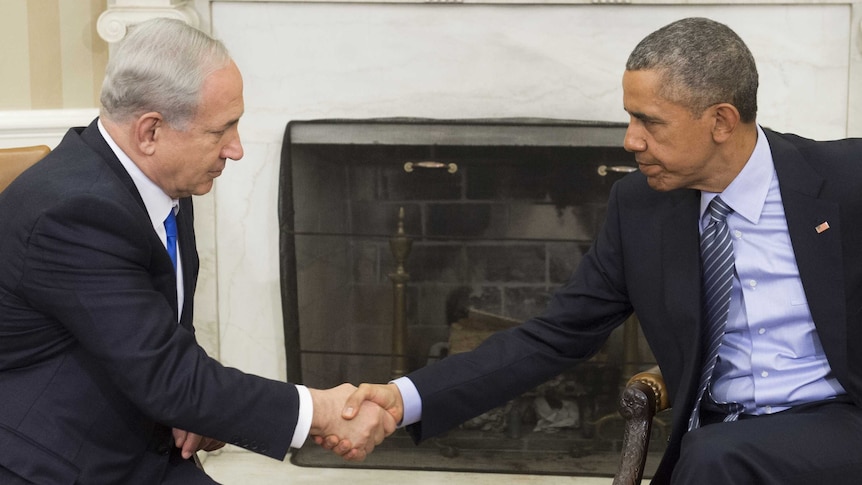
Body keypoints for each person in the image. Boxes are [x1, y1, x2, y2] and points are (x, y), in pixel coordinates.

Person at [327, 17, 862, 484]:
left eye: (650, 121)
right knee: (711, 454)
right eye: (629, 117)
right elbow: (554, 336)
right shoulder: (640, 207)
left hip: (838, 422)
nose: (630, 140)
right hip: (720, 434)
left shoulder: (844, 181)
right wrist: (405, 398)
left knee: (709, 459)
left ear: (721, 121)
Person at [0, 17, 394, 485]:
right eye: (220, 131)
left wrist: (193, 406)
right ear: (150, 132)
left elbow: (159, 339)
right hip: (57, 455)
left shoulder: (161, 180)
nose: (236, 149)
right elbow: (166, 375)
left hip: (140, 424)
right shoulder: (76, 214)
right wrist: (319, 410)